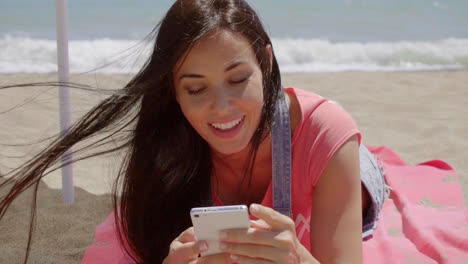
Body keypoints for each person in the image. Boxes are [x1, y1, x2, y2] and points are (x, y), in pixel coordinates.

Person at [0, 0, 388, 263]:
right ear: (174, 90)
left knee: (368, 186)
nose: (220, 107)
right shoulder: (167, 146)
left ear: (266, 64)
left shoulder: (325, 133)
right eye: (196, 88)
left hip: (332, 157)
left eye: (237, 79)